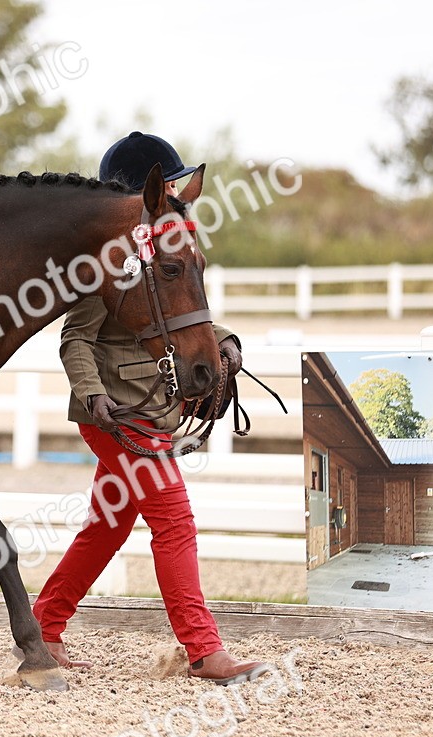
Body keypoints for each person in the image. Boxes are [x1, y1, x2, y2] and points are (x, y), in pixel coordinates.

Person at [31, 131, 268, 685]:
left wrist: (224, 343)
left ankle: (43, 626)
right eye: (165, 191)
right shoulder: (104, 263)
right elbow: (75, 340)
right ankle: (204, 651)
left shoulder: (163, 248)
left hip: (151, 411)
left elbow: (180, 315)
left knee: (107, 528)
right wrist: (92, 395)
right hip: (116, 417)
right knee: (175, 520)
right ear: (144, 195)